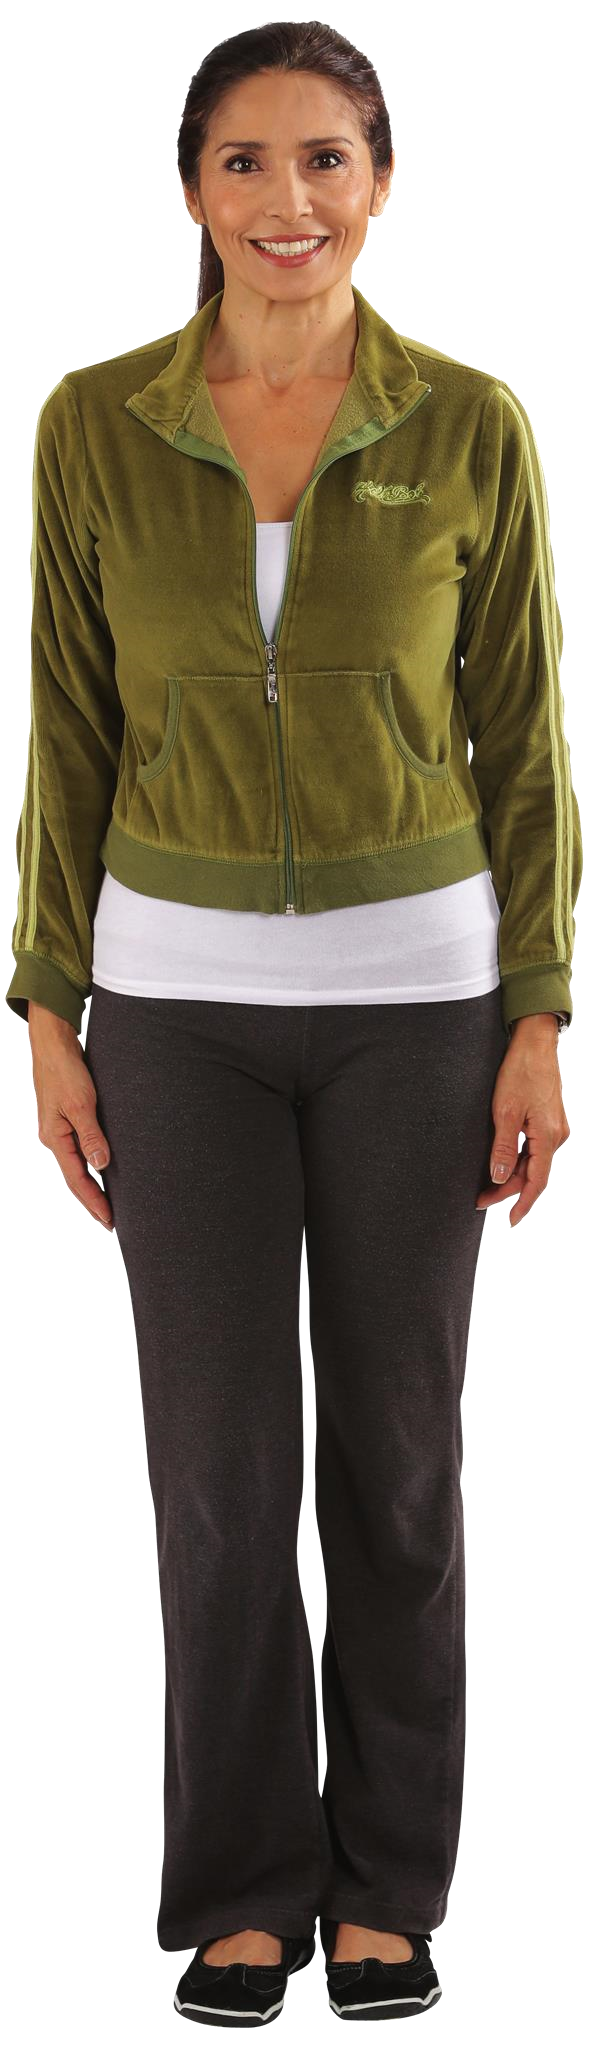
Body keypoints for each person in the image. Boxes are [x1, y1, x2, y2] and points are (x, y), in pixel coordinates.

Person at [7, 23, 580, 2027]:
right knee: (218, 1470)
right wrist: (47, 1002)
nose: (287, 200)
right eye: (245, 161)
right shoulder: (93, 422)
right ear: (191, 189)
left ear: (384, 181)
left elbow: (527, 738)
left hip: (423, 1002)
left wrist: (540, 1013)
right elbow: (62, 727)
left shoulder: (470, 423)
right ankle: (246, 1882)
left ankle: (394, 1884)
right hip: (171, 1009)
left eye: (326, 158)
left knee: (401, 1461)